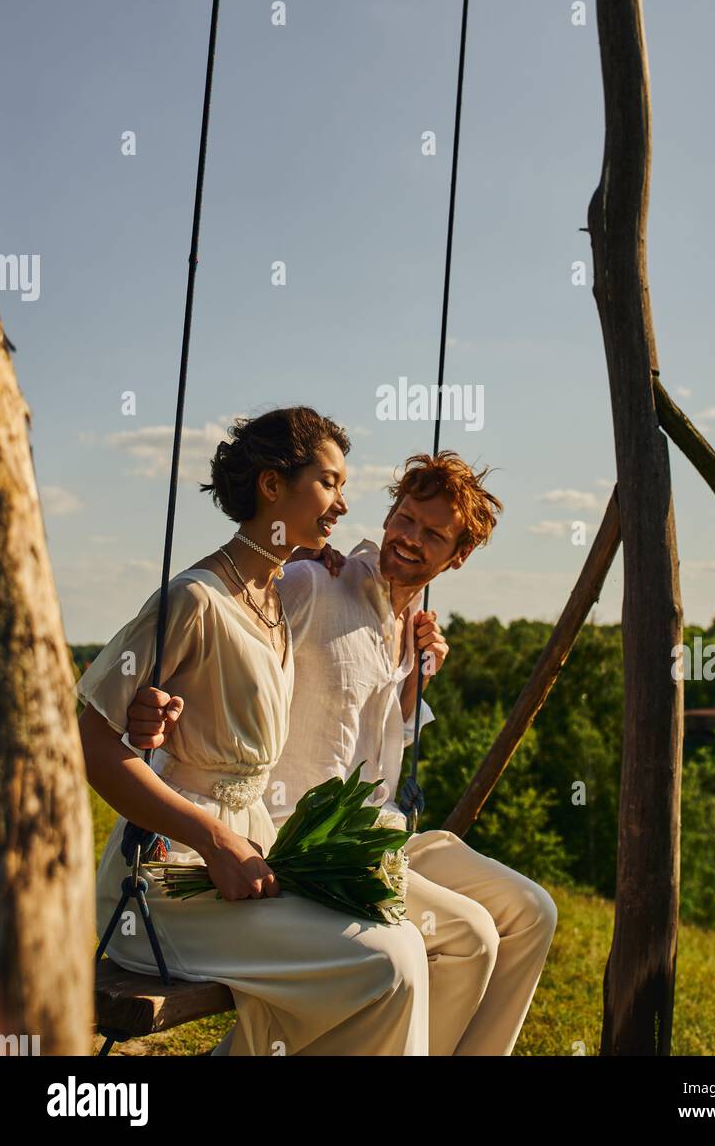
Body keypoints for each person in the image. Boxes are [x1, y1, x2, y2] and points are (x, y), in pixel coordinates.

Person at [129, 451, 558, 1056]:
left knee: (531, 911)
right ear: (389, 514)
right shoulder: (314, 583)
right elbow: (232, 635)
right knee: (469, 937)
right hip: (293, 834)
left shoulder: (410, 628)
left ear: (456, 557)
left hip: (374, 831)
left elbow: (367, 736)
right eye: (405, 518)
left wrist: (415, 685)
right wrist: (286, 559)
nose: (410, 539)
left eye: (433, 535)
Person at [78, 407, 429, 1056]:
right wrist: (212, 838)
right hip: (167, 881)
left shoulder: (274, 603)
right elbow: (92, 746)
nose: (342, 504)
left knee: (404, 939)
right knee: (387, 964)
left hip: (254, 853)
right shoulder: (195, 599)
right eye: (328, 483)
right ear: (272, 486)